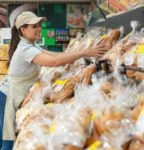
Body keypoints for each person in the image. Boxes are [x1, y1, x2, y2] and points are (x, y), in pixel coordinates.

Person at [0, 11, 106, 150]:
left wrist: (81, 51)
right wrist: (84, 53)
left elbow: (57, 55)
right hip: (7, 98)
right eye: (34, 26)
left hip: (11, 96)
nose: (39, 29)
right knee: (8, 142)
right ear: (23, 29)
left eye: (39, 25)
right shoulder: (26, 49)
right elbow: (54, 61)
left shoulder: (31, 46)